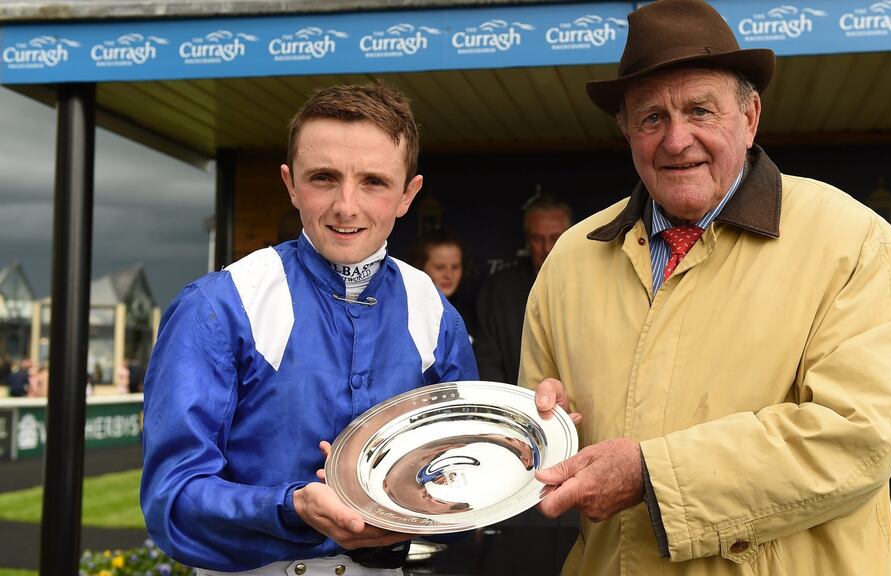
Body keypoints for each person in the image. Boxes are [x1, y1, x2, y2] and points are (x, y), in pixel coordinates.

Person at [522, 1, 891, 574]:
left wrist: (652, 476)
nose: (676, 140)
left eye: (701, 110)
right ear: (626, 130)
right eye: (651, 117)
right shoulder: (570, 259)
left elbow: (853, 439)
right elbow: (541, 440)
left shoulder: (853, 241)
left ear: (750, 116)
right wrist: (544, 426)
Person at [140, 83, 478, 575]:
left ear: (409, 194)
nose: (346, 206)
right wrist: (290, 507)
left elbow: (458, 469)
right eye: (323, 178)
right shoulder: (218, 304)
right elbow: (170, 501)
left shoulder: (433, 309)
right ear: (290, 183)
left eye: (374, 182)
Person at [475, 194, 571, 384]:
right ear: (527, 240)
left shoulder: (590, 285)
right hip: (515, 405)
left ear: (570, 237)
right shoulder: (500, 290)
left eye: (555, 238)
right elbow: (488, 361)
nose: (546, 248)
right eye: (537, 239)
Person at [411, 227, 477, 337]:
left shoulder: (472, 314)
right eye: (440, 267)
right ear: (420, 267)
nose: (449, 275)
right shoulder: (406, 312)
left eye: (455, 267)